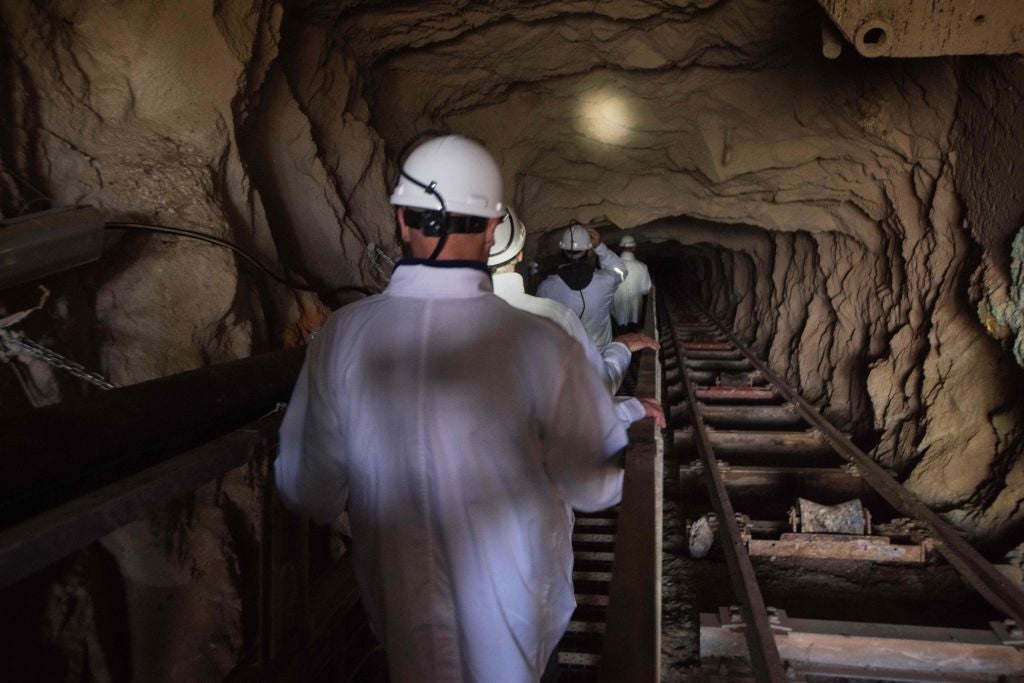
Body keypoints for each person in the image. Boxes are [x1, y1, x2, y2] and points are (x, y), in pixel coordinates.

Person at [274, 134, 633, 683]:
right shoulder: (542, 342)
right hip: (520, 631)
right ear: (492, 229)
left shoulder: (342, 336)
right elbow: (596, 486)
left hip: (401, 629)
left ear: (401, 221)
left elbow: (308, 489)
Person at [488, 208, 664, 428]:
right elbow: (620, 270)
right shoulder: (595, 287)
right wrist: (621, 347)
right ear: (520, 254)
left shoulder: (547, 287)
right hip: (596, 357)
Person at [537, 224, 626, 350]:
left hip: (566, 353)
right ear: (589, 252)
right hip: (600, 351)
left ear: (562, 252)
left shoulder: (546, 287)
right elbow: (621, 270)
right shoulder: (606, 281)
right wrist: (600, 247)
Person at [611, 234, 653, 333]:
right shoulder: (642, 266)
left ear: (620, 247)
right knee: (633, 334)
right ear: (634, 248)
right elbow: (645, 290)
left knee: (619, 334)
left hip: (616, 312)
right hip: (635, 312)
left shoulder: (611, 267)